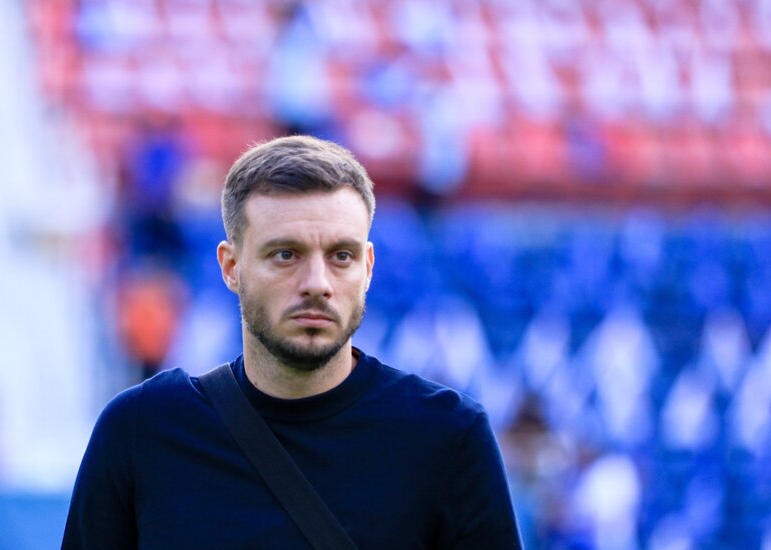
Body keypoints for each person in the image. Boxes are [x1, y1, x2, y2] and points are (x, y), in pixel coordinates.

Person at [62, 135, 522, 548]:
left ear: (368, 268)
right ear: (231, 267)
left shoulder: (448, 438)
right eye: (286, 255)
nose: (317, 282)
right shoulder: (143, 431)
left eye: (341, 256)